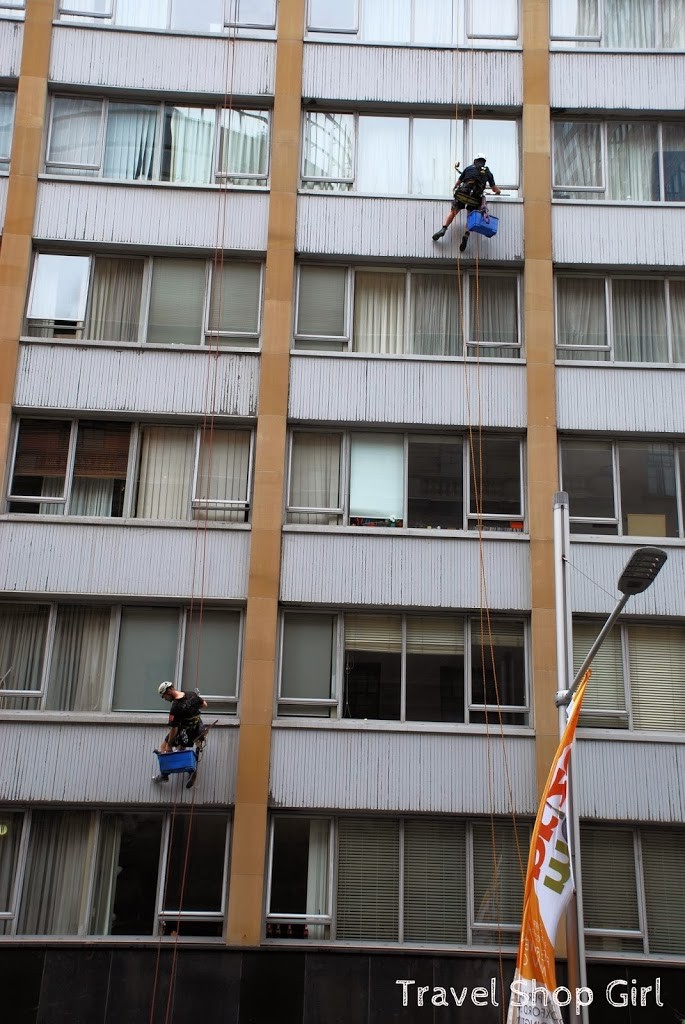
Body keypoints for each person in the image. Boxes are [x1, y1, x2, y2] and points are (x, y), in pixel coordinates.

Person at [432, 154, 501, 252]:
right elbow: (494, 189)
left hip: (462, 194)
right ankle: (466, 236)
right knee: (470, 217)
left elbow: (458, 182)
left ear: (475, 161)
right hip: (475, 198)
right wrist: (498, 191)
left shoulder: (468, 168)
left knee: (453, 212)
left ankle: (444, 228)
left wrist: (455, 187)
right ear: (484, 162)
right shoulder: (487, 172)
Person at [158, 681, 208, 753]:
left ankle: (171, 760)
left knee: (163, 747)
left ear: (169, 691)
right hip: (198, 728)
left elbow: (174, 729)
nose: (165, 699)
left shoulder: (175, 708)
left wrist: (169, 744)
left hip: (184, 732)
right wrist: (196, 701)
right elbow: (205, 705)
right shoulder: (191, 694)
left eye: (164, 696)